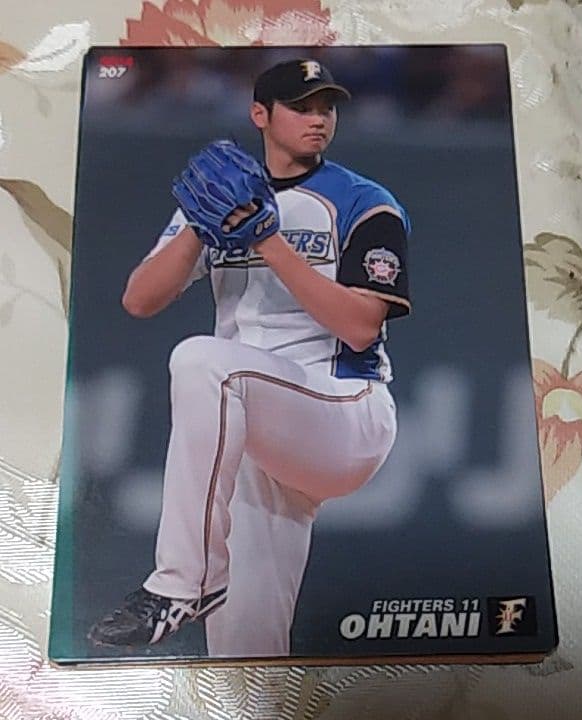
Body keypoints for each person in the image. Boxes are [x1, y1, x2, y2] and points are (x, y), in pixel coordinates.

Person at [88, 58, 411, 656]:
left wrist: (266, 238)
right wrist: (200, 225)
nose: (318, 119)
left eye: (326, 107)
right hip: (256, 425)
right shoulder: (221, 199)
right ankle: (211, 603)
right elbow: (139, 299)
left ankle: (183, 583)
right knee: (245, 649)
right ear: (260, 114)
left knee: (202, 360)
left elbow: (360, 327)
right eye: (301, 107)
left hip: (343, 410)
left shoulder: (363, 201)